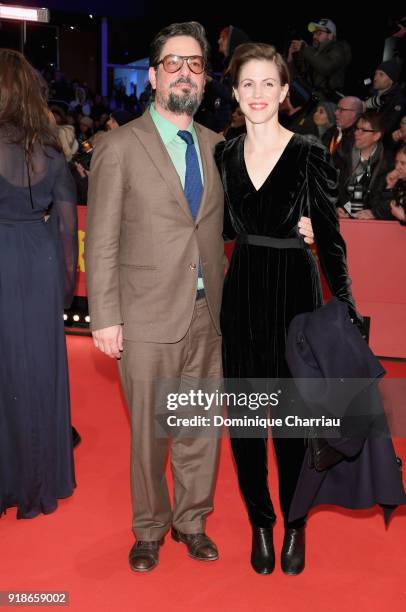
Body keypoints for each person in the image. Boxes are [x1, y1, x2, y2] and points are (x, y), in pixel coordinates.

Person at [85, 22, 314, 574]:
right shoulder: (118, 146)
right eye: (173, 63)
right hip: (142, 316)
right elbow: (103, 236)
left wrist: (299, 227)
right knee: (150, 432)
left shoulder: (220, 149)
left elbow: (244, 221)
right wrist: (105, 316)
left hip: (213, 315)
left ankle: (192, 522)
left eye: (194, 64)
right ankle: (149, 529)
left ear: (205, 78)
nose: (184, 73)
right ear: (153, 75)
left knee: (199, 427)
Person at [215, 42, 360, 576]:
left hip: (296, 296)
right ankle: (261, 521)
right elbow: (227, 229)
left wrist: (345, 307)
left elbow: (332, 237)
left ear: (283, 93)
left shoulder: (308, 152)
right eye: (246, 83)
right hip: (244, 294)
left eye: (267, 84)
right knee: (249, 425)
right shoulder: (224, 154)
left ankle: (297, 523)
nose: (257, 93)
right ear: (235, 92)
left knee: (296, 424)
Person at [0, 49, 77, 518]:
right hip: (41, 265)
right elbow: (67, 234)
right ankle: (40, 477)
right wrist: (61, 294)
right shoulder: (51, 151)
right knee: (38, 371)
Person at [288, 18, 351, 102]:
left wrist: (305, 49)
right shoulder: (313, 53)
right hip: (312, 99)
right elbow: (298, 76)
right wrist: (291, 57)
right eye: (314, 33)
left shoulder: (339, 48)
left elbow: (326, 67)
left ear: (331, 35)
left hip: (329, 102)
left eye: (319, 33)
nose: (314, 36)